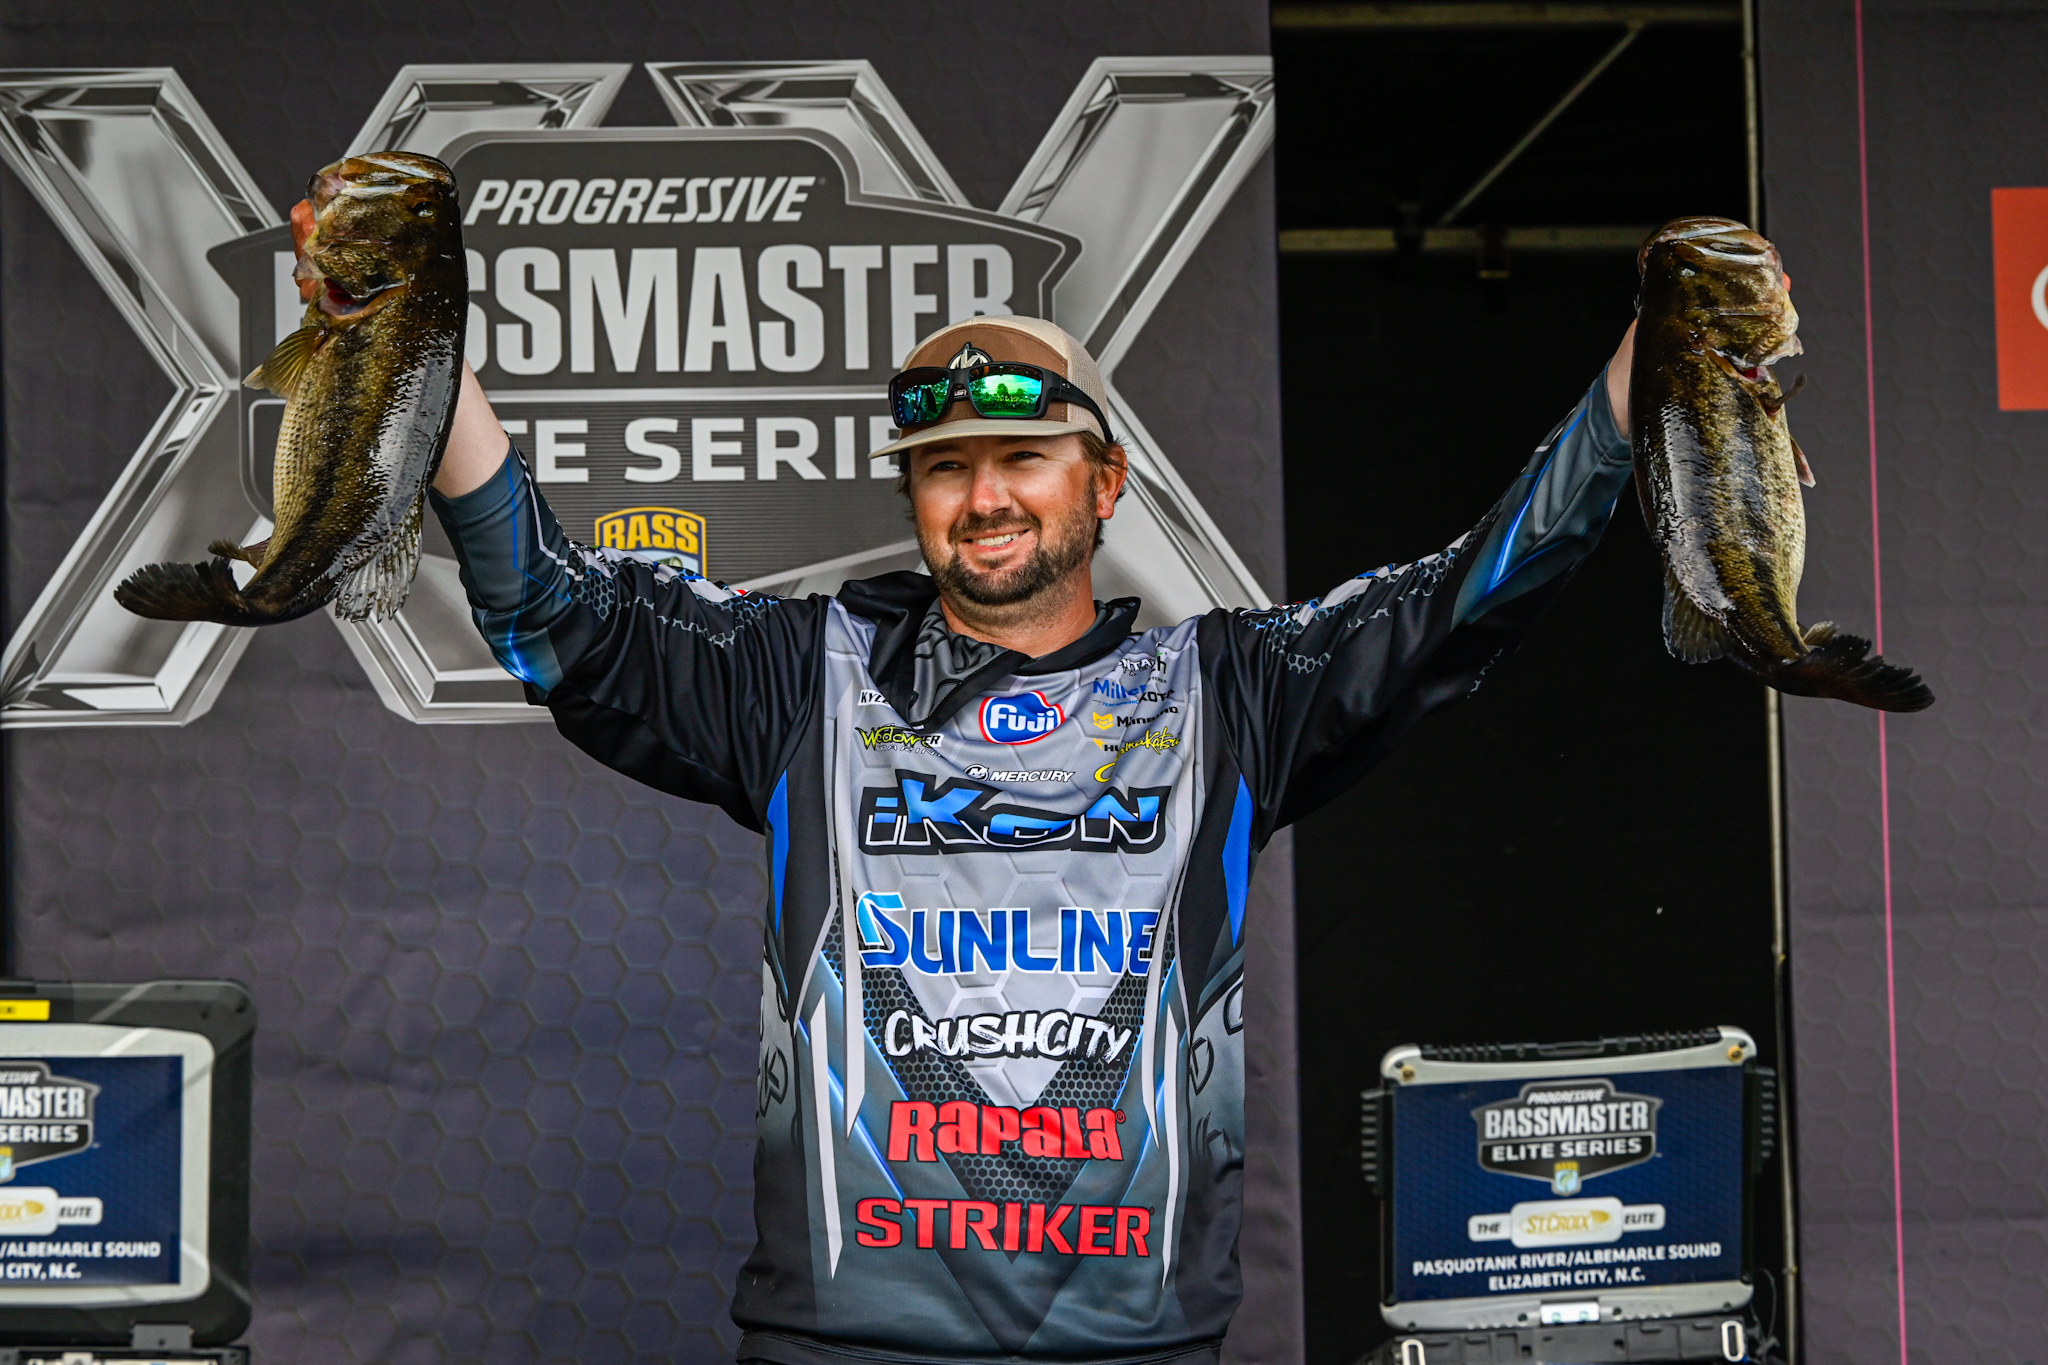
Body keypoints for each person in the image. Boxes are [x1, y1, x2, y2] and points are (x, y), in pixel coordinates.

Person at [429, 313, 1638, 1365]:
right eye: (944, 467)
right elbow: (548, 607)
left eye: (1022, 457)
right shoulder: (802, 675)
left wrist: (1646, 367)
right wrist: (421, 341)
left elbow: (1475, 589)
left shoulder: (1229, 691)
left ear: (1105, 483)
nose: (984, 498)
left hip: (1136, 1349)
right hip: (842, 1348)